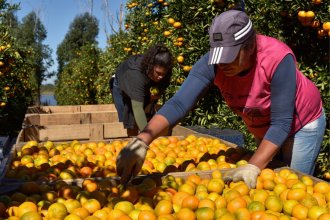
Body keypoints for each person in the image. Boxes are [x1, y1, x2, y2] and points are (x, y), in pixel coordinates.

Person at [116, 9, 326, 188]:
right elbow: (179, 103)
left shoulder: (277, 59)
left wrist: (253, 165)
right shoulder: (213, 64)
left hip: (302, 123)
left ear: (250, 46)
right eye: (219, 56)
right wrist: (142, 141)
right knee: (267, 181)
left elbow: (281, 122)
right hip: (264, 125)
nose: (223, 64)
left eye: (230, 56)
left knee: (291, 184)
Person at [110, 44, 173, 134]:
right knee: (128, 119)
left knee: (145, 112)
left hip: (142, 82)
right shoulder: (136, 76)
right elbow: (137, 108)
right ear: (150, 66)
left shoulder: (164, 69)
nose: (161, 77)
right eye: (158, 73)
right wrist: (147, 136)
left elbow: (163, 83)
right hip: (120, 84)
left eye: (163, 74)